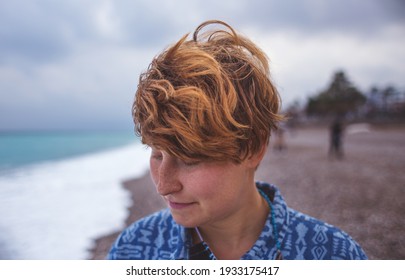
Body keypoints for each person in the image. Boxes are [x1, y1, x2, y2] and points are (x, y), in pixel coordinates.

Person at [107, 20, 367, 260]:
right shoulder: (132, 251)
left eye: (189, 159)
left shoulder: (333, 255)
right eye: (157, 154)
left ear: (253, 148)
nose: (163, 186)